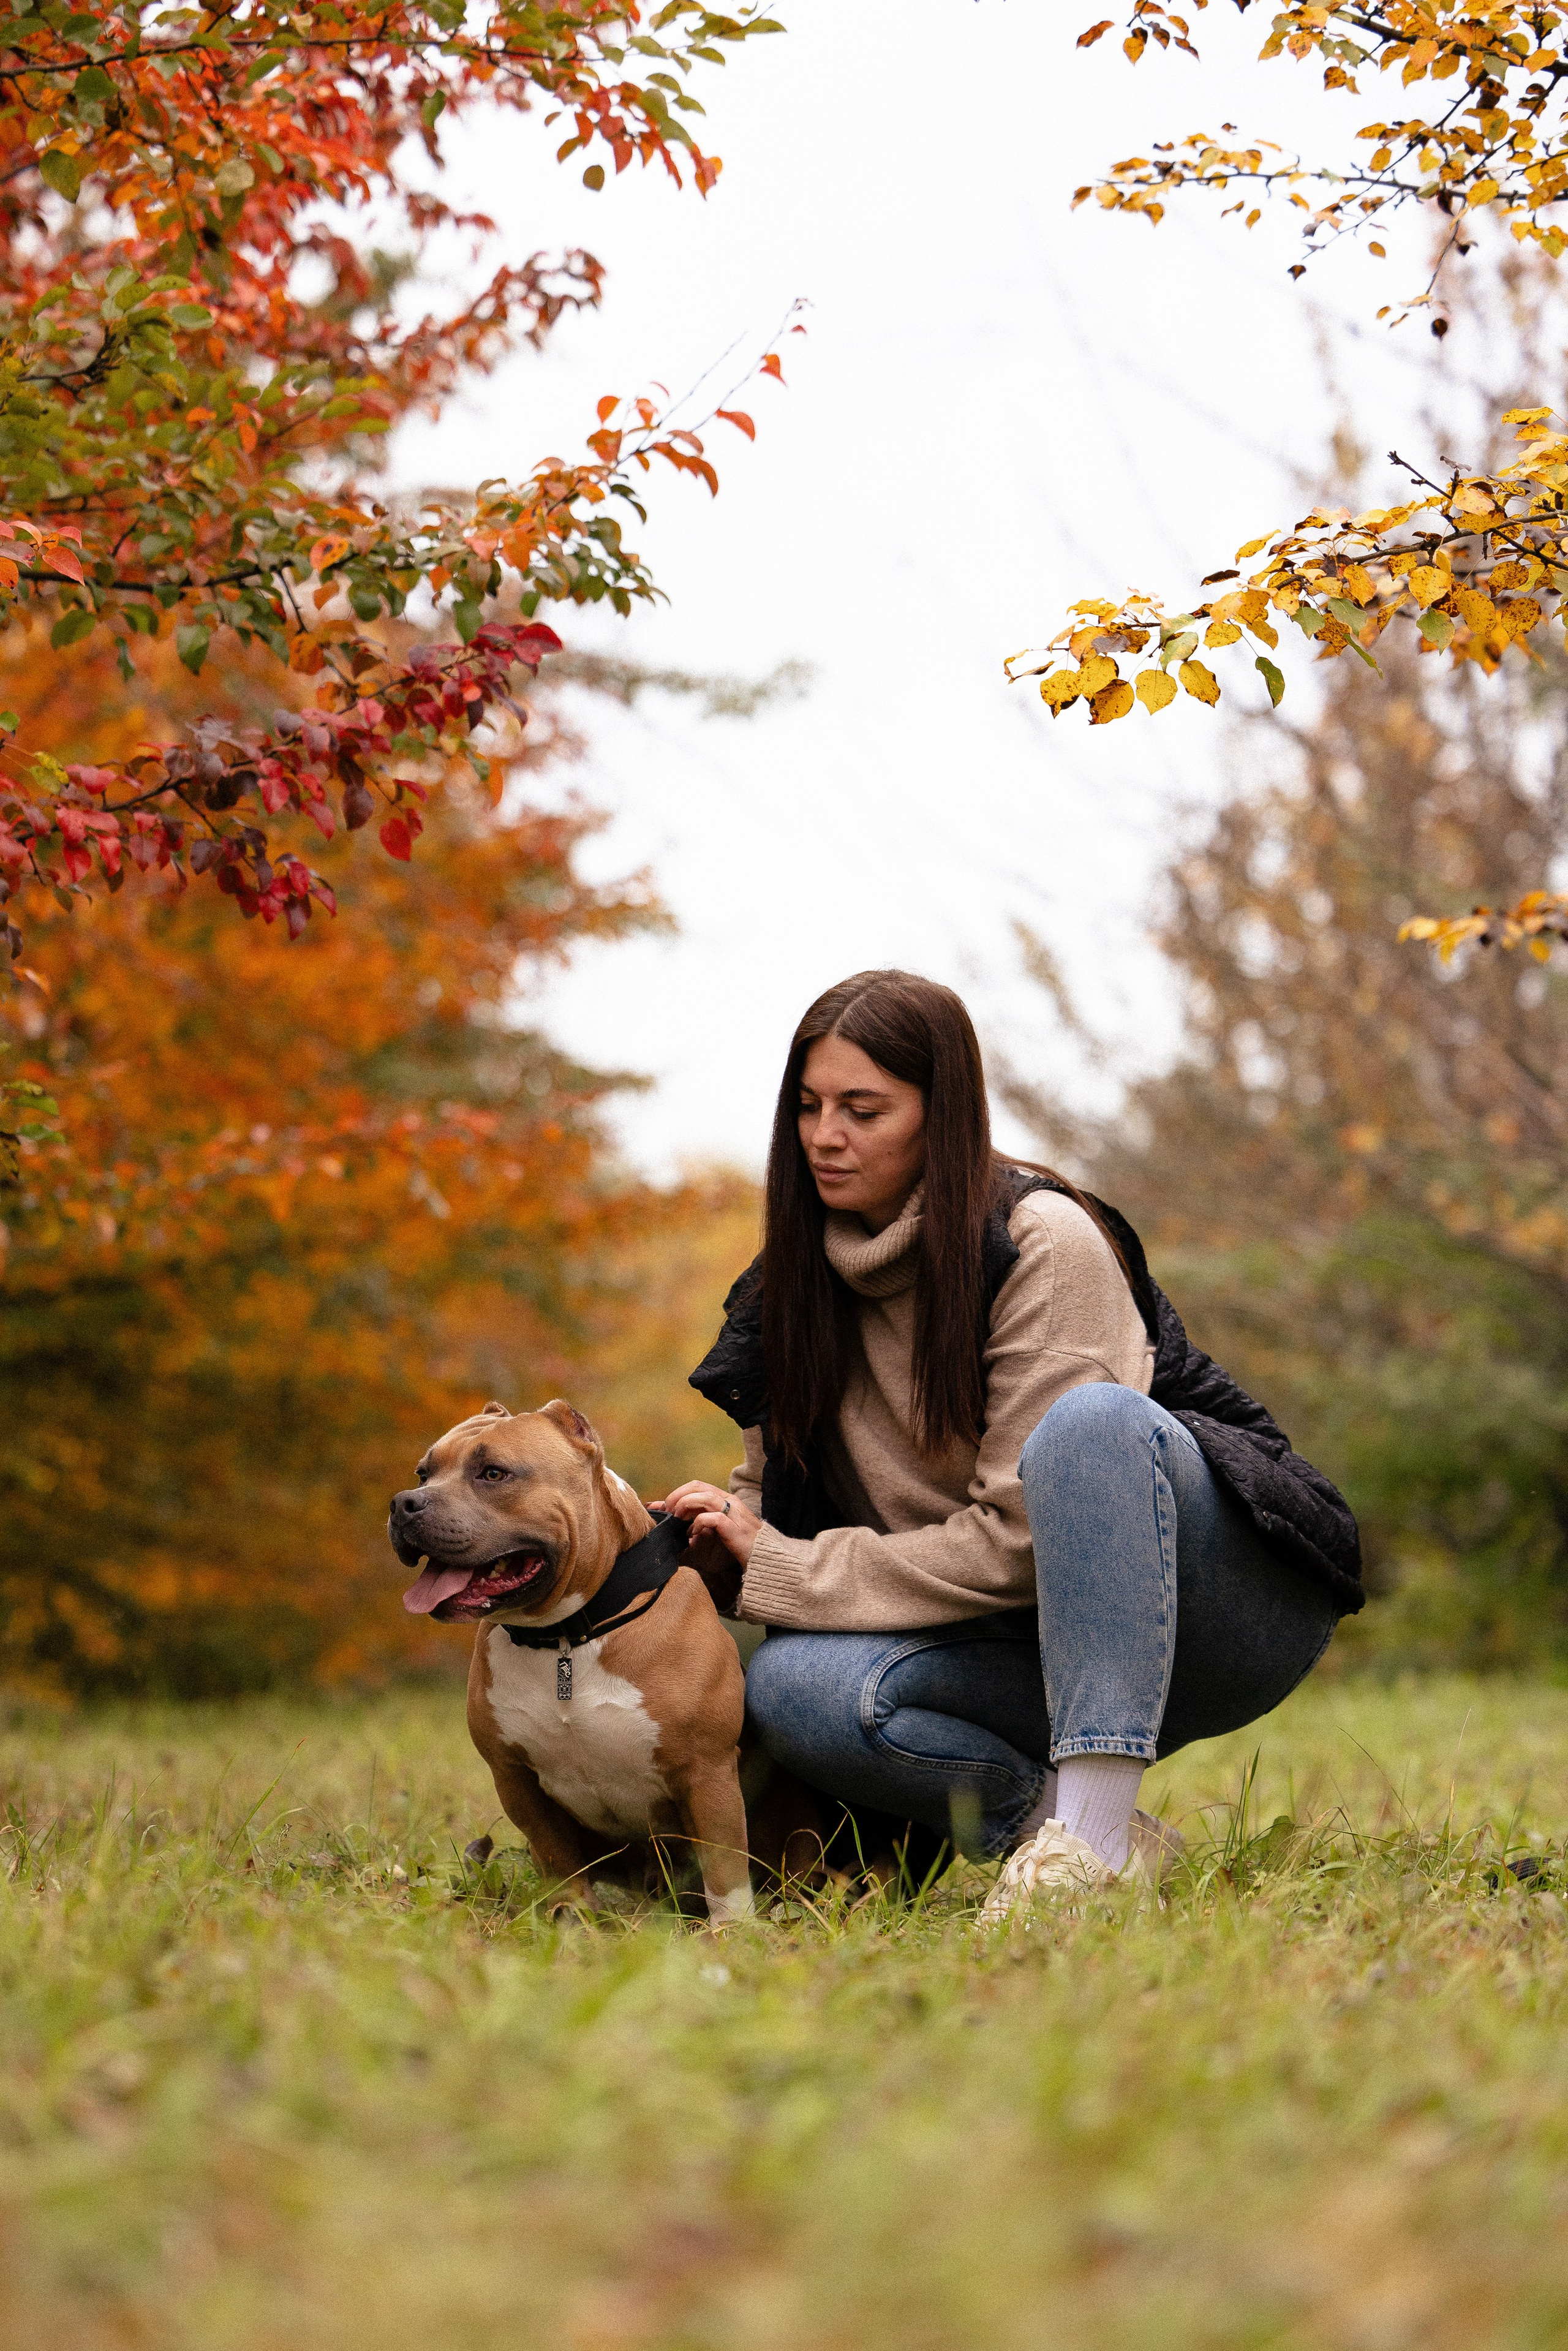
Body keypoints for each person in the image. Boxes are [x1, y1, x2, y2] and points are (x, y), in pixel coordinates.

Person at [658, 969, 1361, 1915]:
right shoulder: (785, 1289)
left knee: (1092, 1422)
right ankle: (1069, 1840)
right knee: (794, 1687)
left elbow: (1021, 1538)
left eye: (864, 1109)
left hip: (1216, 1609)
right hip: (1013, 1644)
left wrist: (785, 1565)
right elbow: (775, 1492)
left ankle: (1096, 1831)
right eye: (811, 1105)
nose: (826, 1136)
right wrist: (726, 1528)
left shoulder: (1042, 1239)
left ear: (941, 1115)